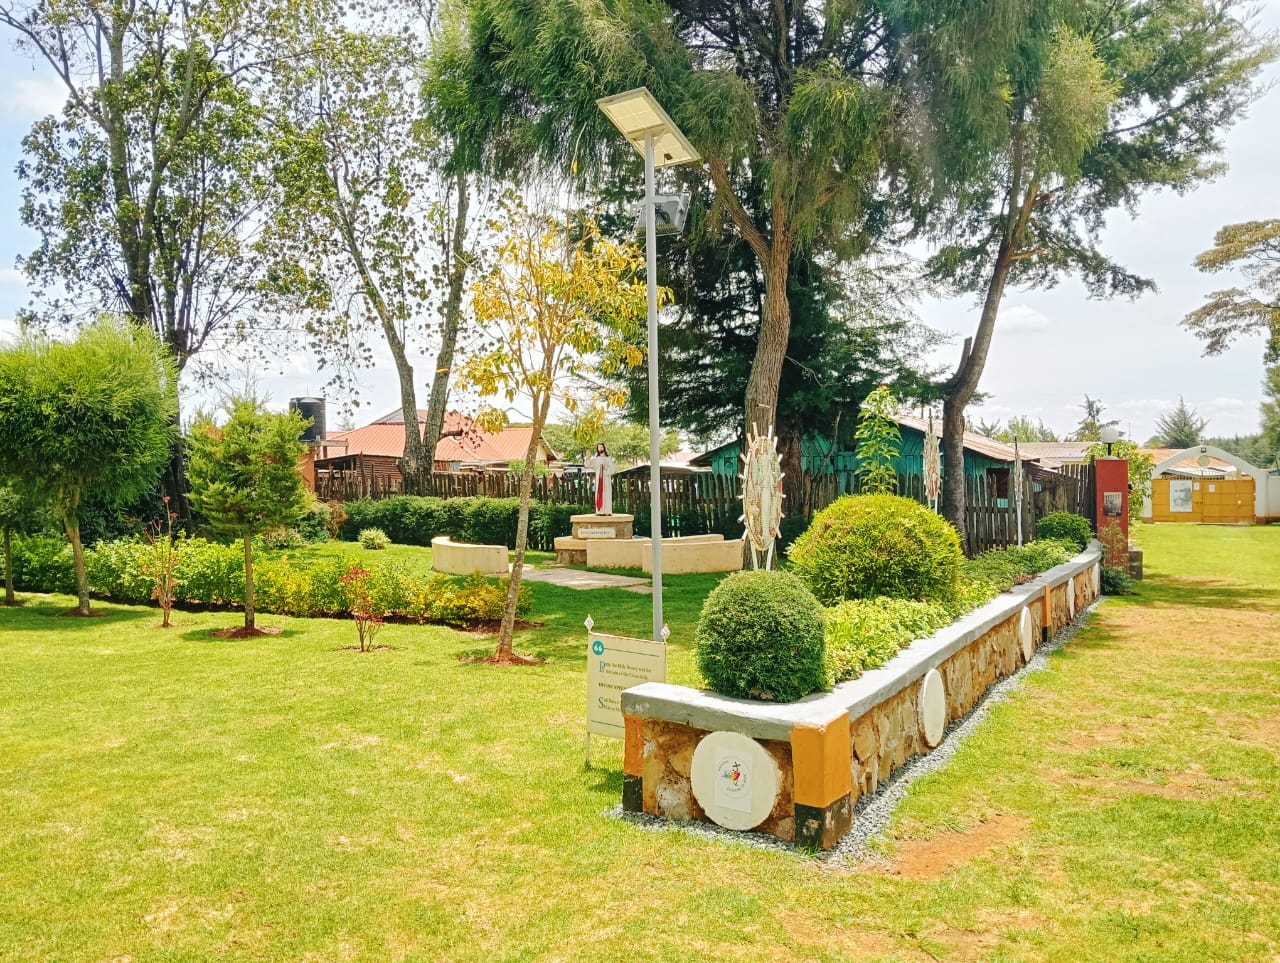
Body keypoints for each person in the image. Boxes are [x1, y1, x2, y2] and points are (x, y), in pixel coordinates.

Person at [585, 443, 617, 515]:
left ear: (604, 448)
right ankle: (599, 511)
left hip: (606, 479)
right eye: (599, 447)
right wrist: (588, 458)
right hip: (599, 480)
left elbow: (613, 469)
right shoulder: (596, 459)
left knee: (607, 494)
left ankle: (607, 511)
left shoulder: (609, 459)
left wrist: (606, 468)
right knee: (599, 493)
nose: (600, 449)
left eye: (601, 447)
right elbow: (587, 465)